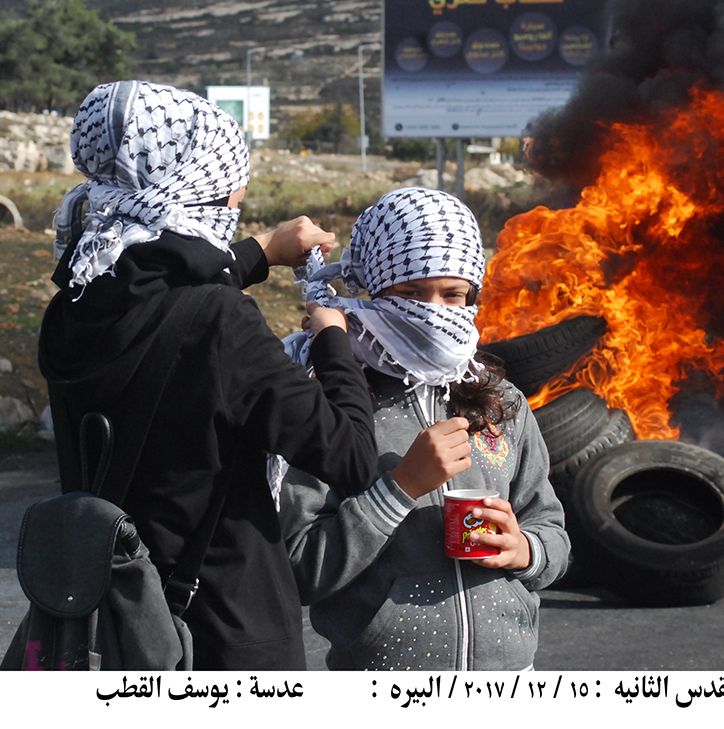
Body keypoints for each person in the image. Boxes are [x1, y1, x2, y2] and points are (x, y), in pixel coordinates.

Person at [38, 80, 377, 670]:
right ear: (191, 191)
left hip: (112, 614)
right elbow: (350, 455)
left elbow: (161, 289)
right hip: (224, 630)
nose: (235, 202)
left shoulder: (76, 300)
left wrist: (260, 251)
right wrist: (333, 342)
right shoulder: (219, 323)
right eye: (228, 192)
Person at [279, 187, 570, 671]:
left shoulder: (502, 401)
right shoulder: (331, 403)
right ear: (373, 288)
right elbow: (299, 567)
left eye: (452, 294)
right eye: (411, 293)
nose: (434, 310)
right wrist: (399, 489)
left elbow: (552, 531)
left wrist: (525, 551)